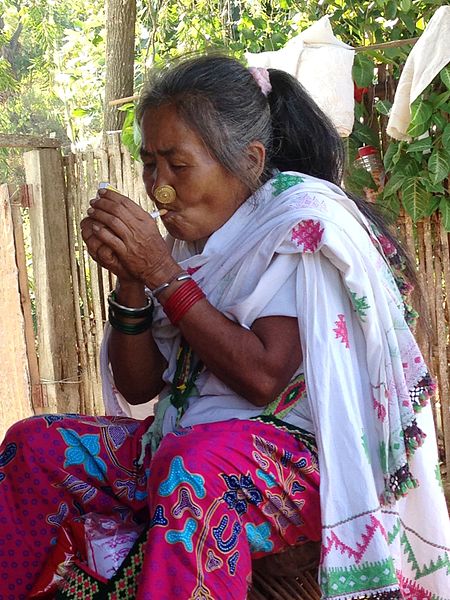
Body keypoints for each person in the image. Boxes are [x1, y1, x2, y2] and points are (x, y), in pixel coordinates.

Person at [0, 54, 449, 600]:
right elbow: (140, 386)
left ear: (249, 160)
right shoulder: (194, 238)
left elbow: (263, 376)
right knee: (36, 446)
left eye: (176, 165)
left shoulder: (298, 225)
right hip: (183, 443)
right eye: (149, 165)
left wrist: (162, 274)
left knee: (194, 470)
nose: (158, 187)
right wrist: (132, 280)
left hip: (299, 463)